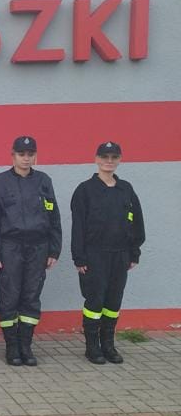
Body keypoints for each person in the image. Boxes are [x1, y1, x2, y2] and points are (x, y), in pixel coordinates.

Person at [0, 136, 62, 366]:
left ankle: (26, 346)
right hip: (10, 247)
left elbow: (53, 216)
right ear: (13, 155)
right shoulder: (0, 182)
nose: (26, 158)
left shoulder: (43, 181)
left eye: (30, 154)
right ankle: (12, 347)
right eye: (22, 154)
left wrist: (54, 250)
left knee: (31, 296)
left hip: (38, 247)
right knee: (9, 297)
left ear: (35, 156)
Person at [70, 141, 146, 364]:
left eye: (114, 157)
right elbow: (78, 227)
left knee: (113, 302)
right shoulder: (85, 190)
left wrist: (134, 252)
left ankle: (109, 345)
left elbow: (137, 223)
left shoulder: (126, 189)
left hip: (120, 255)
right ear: (96, 159)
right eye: (105, 157)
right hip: (95, 255)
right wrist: (79, 257)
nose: (109, 161)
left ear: (119, 159)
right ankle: (92, 347)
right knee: (95, 302)